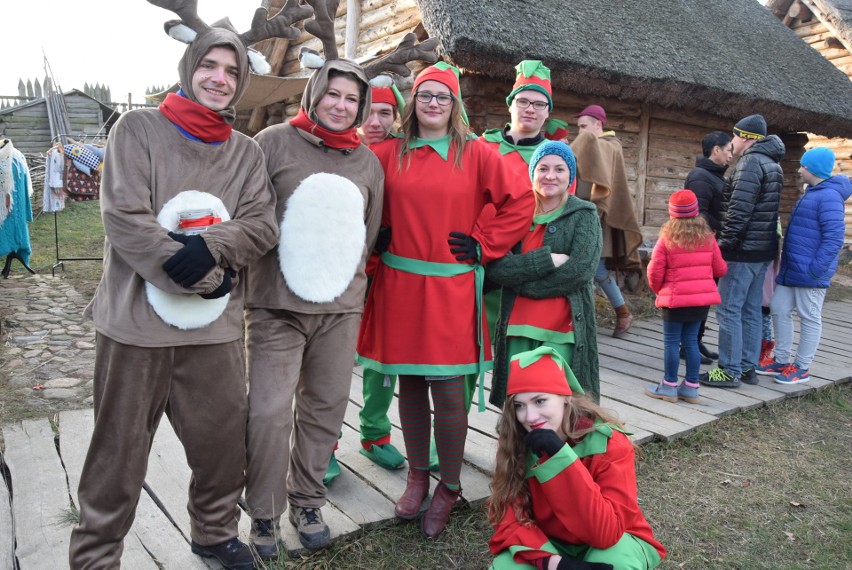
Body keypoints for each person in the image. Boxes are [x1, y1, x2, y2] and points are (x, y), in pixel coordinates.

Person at [69, 9, 280, 569]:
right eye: (209, 65)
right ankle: (96, 553)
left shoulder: (246, 152)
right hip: (134, 328)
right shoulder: (136, 130)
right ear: (189, 67)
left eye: (231, 71)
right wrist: (208, 277)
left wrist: (209, 247)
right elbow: (126, 220)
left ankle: (213, 533)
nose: (219, 78)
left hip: (212, 333)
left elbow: (261, 223)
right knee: (118, 452)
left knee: (219, 444)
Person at [356, 62, 534, 539]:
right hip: (399, 285)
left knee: (448, 388)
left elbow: (521, 201)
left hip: (451, 287)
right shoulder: (386, 152)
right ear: (412, 102)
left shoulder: (476, 153)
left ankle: (449, 485)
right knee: (410, 385)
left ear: (454, 105)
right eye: (426, 95)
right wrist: (373, 234)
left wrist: (485, 243)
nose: (433, 103)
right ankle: (417, 476)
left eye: (443, 97)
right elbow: (353, 194)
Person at [244, 57, 384, 556]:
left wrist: (343, 285)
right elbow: (252, 217)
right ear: (314, 94)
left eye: (352, 99)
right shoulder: (273, 143)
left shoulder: (367, 161)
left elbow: (366, 232)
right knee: (268, 411)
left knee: (325, 408)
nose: (341, 106)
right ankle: (263, 511)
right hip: (276, 305)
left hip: (339, 308)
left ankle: (307, 498)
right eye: (333, 95)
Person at [488, 347, 666, 570]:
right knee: (507, 567)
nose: (530, 417)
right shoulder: (515, 443)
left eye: (540, 401)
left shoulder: (609, 443)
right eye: (519, 406)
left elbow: (606, 533)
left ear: (565, 397)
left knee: (618, 563)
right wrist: (556, 564)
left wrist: (561, 457)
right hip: (550, 544)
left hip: (615, 539)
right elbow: (510, 520)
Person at [487, 141, 602, 406]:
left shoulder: (583, 214)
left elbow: (580, 271)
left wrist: (524, 284)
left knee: (559, 406)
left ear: (570, 176)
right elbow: (496, 267)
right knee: (516, 405)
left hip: (563, 330)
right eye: (543, 168)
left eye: (560, 169)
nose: (550, 176)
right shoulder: (516, 213)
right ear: (532, 173)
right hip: (517, 328)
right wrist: (545, 260)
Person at [699, 115, 784, 389]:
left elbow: (739, 213)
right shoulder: (773, 163)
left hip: (742, 251)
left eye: (734, 136)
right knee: (750, 310)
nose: (731, 142)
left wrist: (723, 245)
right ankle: (748, 367)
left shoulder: (749, 162)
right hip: (762, 250)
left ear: (744, 137)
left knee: (729, 310)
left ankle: (728, 369)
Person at [758, 147, 851, 384]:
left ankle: (802, 367)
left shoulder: (828, 196)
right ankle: (781, 360)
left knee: (809, 316)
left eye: (803, 166)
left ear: (813, 169)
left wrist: (816, 270)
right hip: (792, 269)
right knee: (778, 308)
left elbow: (833, 238)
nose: (799, 170)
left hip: (809, 272)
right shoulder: (813, 192)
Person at [352, 85, 408, 472]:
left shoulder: (404, 153)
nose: (376, 122)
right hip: (343, 273)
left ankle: (375, 434)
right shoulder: (337, 149)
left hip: (389, 270)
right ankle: (320, 447)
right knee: (331, 360)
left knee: (383, 358)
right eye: (369, 111)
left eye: (386, 113)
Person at [645, 190, 727, 404]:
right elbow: (721, 269)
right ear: (696, 211)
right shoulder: (707, 237)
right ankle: (691, 387)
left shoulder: (667, 238)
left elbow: (654, 271)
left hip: (674, 301)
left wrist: (659, 289)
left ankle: (669, 386)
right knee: (691, 341)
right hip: (700, 302)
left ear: (672, 213)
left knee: (671, 341)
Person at [570, 105, 643, 338]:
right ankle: (613, 314)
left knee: (596, 268)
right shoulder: (592, 145)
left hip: (599, 218)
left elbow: (587, 154)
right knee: (589, 268)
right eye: (578, 127)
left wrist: (565, 148)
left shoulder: (610, 146)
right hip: (576, 215)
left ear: (598, 124)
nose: (580, 132)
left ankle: (620, 313)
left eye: (584, 126)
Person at [683, 131, 732, 363]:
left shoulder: (714, 176)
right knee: (698, 298)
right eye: (728, 149)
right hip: (700, 247)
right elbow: (698, 215)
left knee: (705, 297)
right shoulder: (701, 177)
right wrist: (724, 224)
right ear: (716, 149)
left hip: (712, 245)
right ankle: (687, 345)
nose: (731, 154)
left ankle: (695, 341)